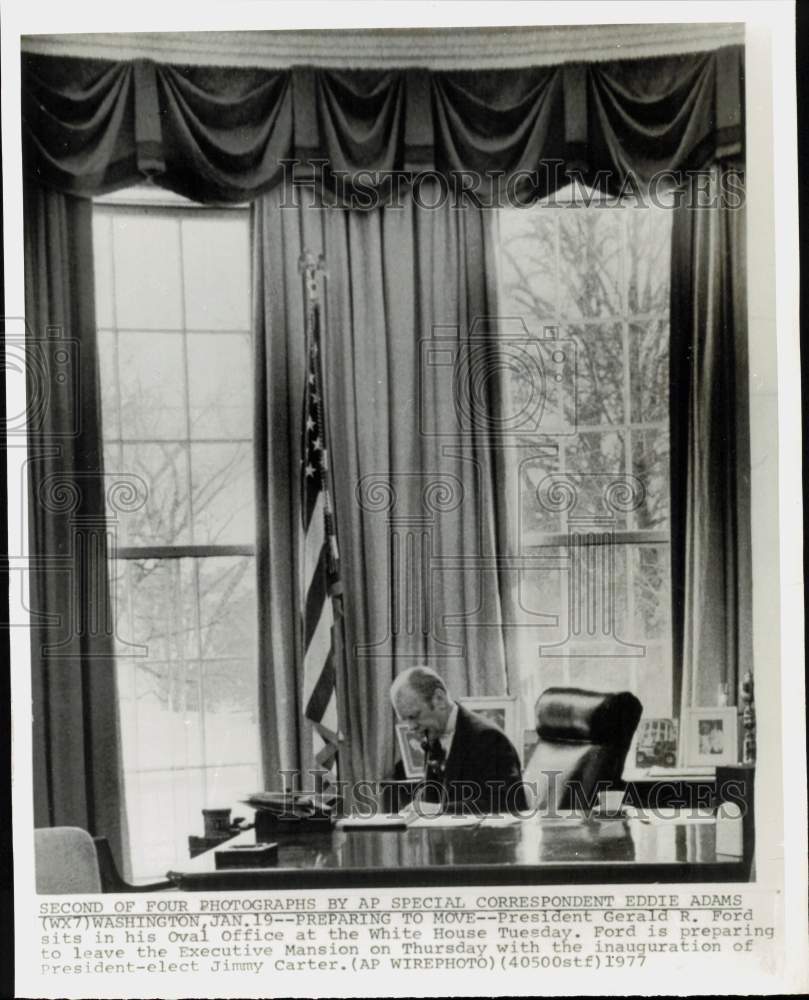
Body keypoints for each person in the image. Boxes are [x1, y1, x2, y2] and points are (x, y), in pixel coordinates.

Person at [390, 666, 527, 814]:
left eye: (414, 716)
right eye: (406, 720)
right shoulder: (433, 736)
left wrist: (440, 810)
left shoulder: (489, 739)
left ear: (439, 699)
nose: (410, 727)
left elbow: (509, 805)